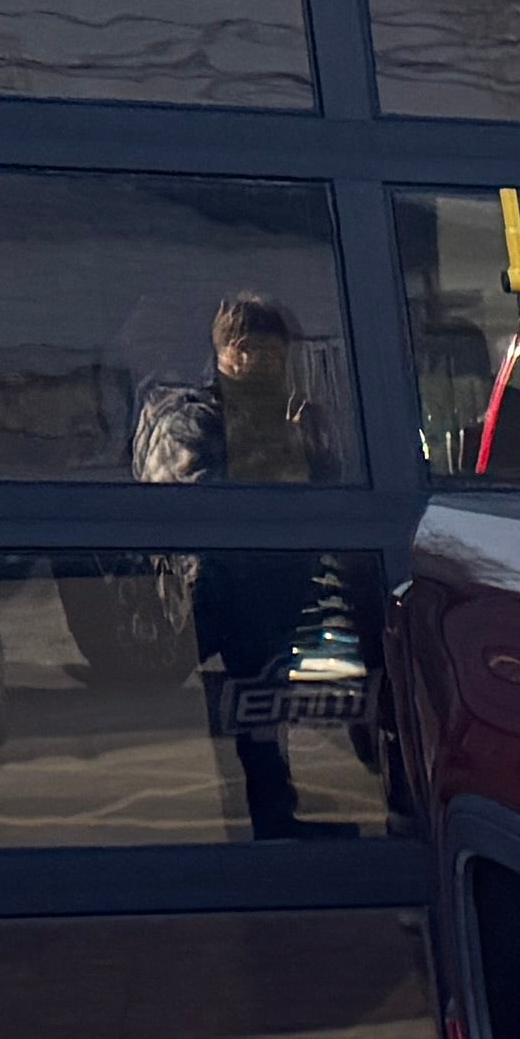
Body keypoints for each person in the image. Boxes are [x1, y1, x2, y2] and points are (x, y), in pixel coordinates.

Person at [135, 290, 364, 832]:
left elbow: (332, 491)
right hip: (215, 596)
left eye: (272, 353)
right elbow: (202, 506)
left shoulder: (290, 414)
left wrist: (309, 445)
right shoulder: (191, 417)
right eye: (247, 351)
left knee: (265, 712)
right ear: (223, 353)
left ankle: (274, 816)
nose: (260, 363)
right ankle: (258, 825)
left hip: (280, 587)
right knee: (235, 713)